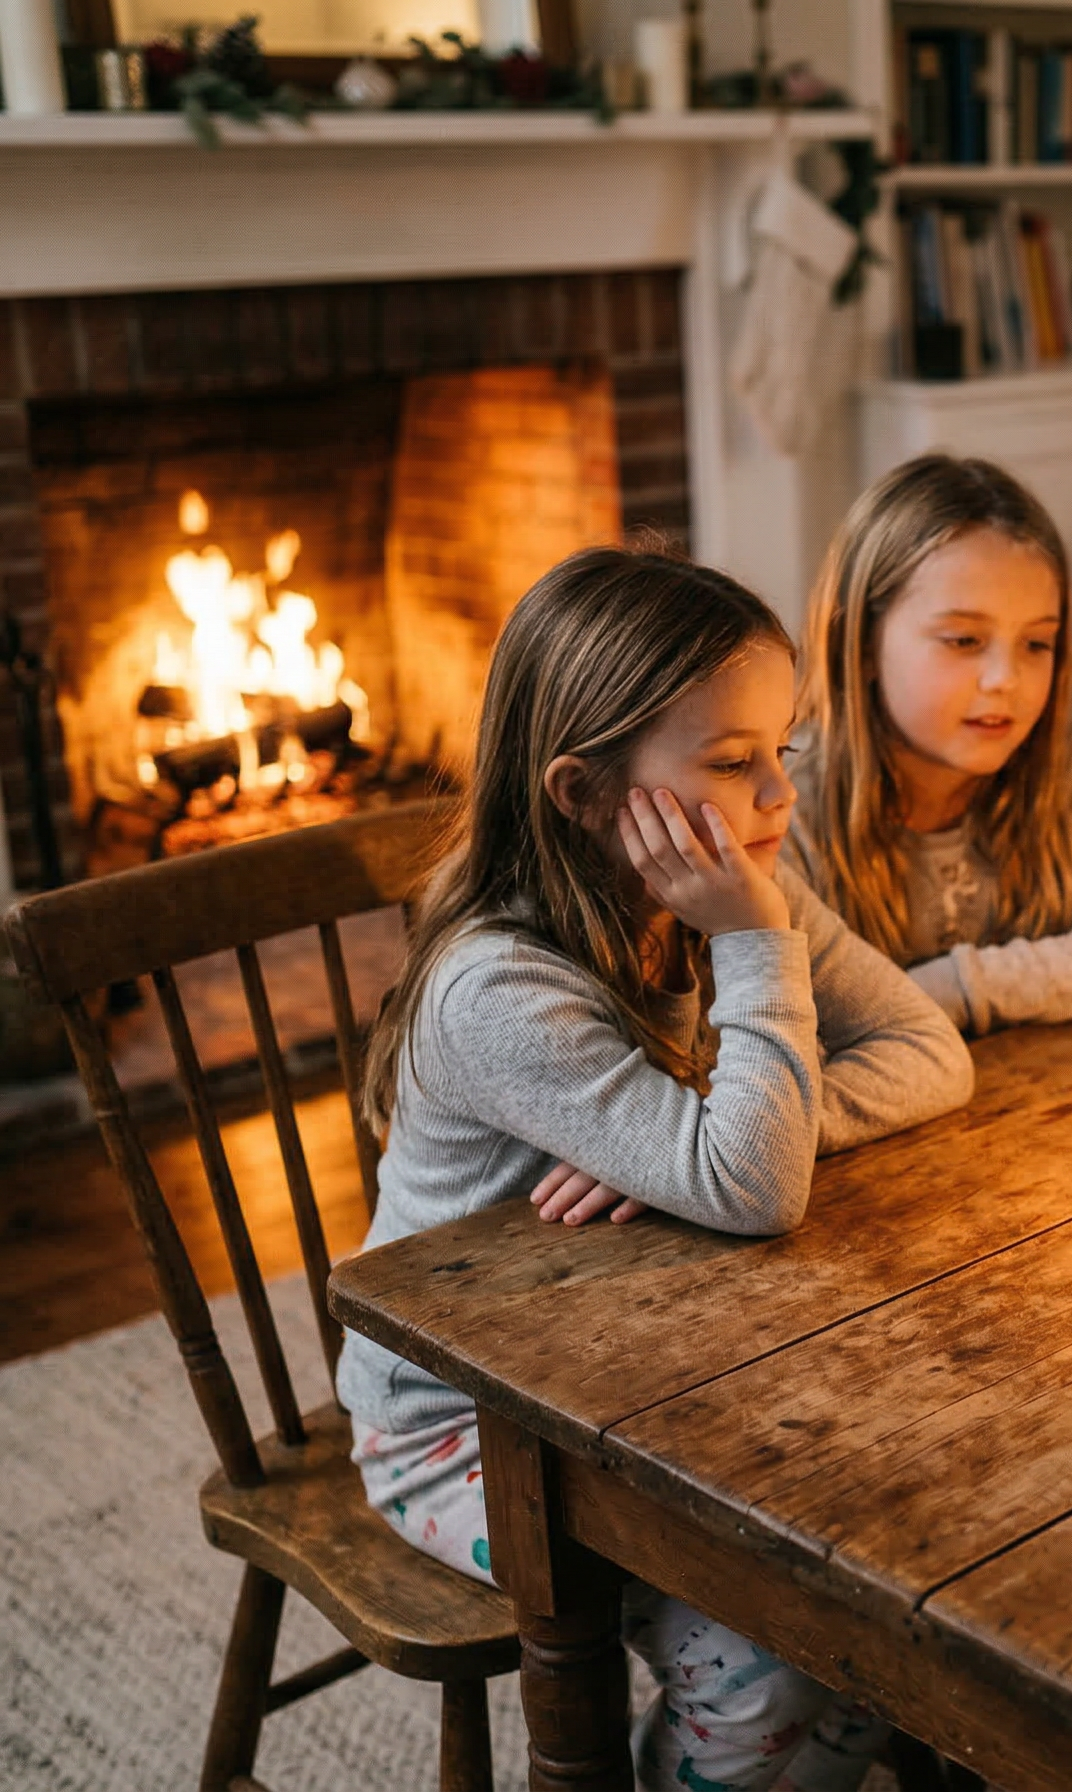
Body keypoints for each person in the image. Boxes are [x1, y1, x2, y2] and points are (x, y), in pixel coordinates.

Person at [338, 545, 974, 1792]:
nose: (777, 793)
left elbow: (927, 1050)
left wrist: (709, 1126)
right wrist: (723, 1119)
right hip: (470, 1429)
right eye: (733, 763)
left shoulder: (733, 886)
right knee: (778, 1656)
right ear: (582, 791)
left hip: (647, 1370)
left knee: (885, 1584)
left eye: (780, 747)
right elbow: (751, 1187)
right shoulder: (499, 988)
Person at [787, 454, 1072, 1036]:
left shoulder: (1061, 756)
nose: (1005, 679)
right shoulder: (784, 804)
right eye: (964, 640)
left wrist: (950, 990)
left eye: (1037, 643)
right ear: (859, 643)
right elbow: (790, 1030)